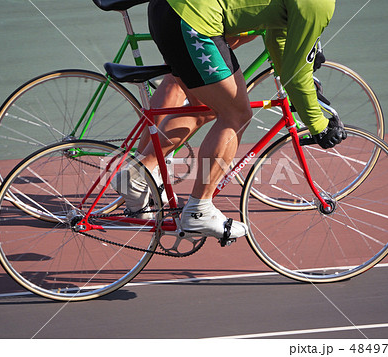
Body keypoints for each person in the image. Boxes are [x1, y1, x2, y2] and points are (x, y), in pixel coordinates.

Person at [114, 0, 346, 240]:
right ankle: (199, 210)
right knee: (237, 115)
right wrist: (318, 126)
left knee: (205, 108)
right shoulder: (318, 3)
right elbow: (296, 75)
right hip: (194, 21)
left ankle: (136, 176)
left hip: (168, 11)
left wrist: (298, 90)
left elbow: (278, 40)